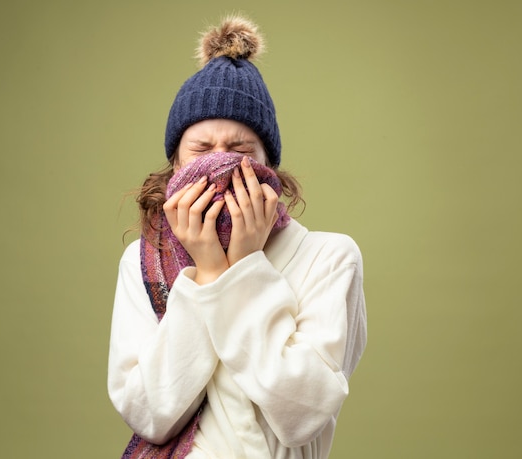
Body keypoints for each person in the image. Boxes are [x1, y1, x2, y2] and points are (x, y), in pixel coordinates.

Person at [107, 15, 367, 459]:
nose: (221, 163)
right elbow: (149, 414)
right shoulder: (142, 260)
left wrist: (242, 270)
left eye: (242, 150)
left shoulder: (329, 256)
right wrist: (206, 273)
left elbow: (301, 416)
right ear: (175, 164)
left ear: (269, 164)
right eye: (202, 150)